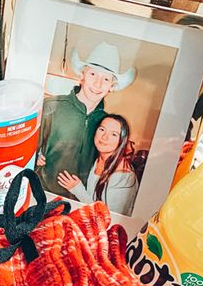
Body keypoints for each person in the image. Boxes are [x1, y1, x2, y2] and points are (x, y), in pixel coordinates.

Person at [36, 42, 136, 194]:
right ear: (82, 75)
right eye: (93, 74)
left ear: (111, 87)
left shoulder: (106, 123)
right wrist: (35, 157)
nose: (98, 83)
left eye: (106, 79)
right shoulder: (51, 106)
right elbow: (27, 146)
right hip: (41, 191)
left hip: (80, 200)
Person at [56, 114, 139, 216]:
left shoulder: (124, 177)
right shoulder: (98, 159)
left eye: (114, 134)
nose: (104, 137)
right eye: (102, 129)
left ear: (122, 141)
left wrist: (77, 189)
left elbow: (108, 218)